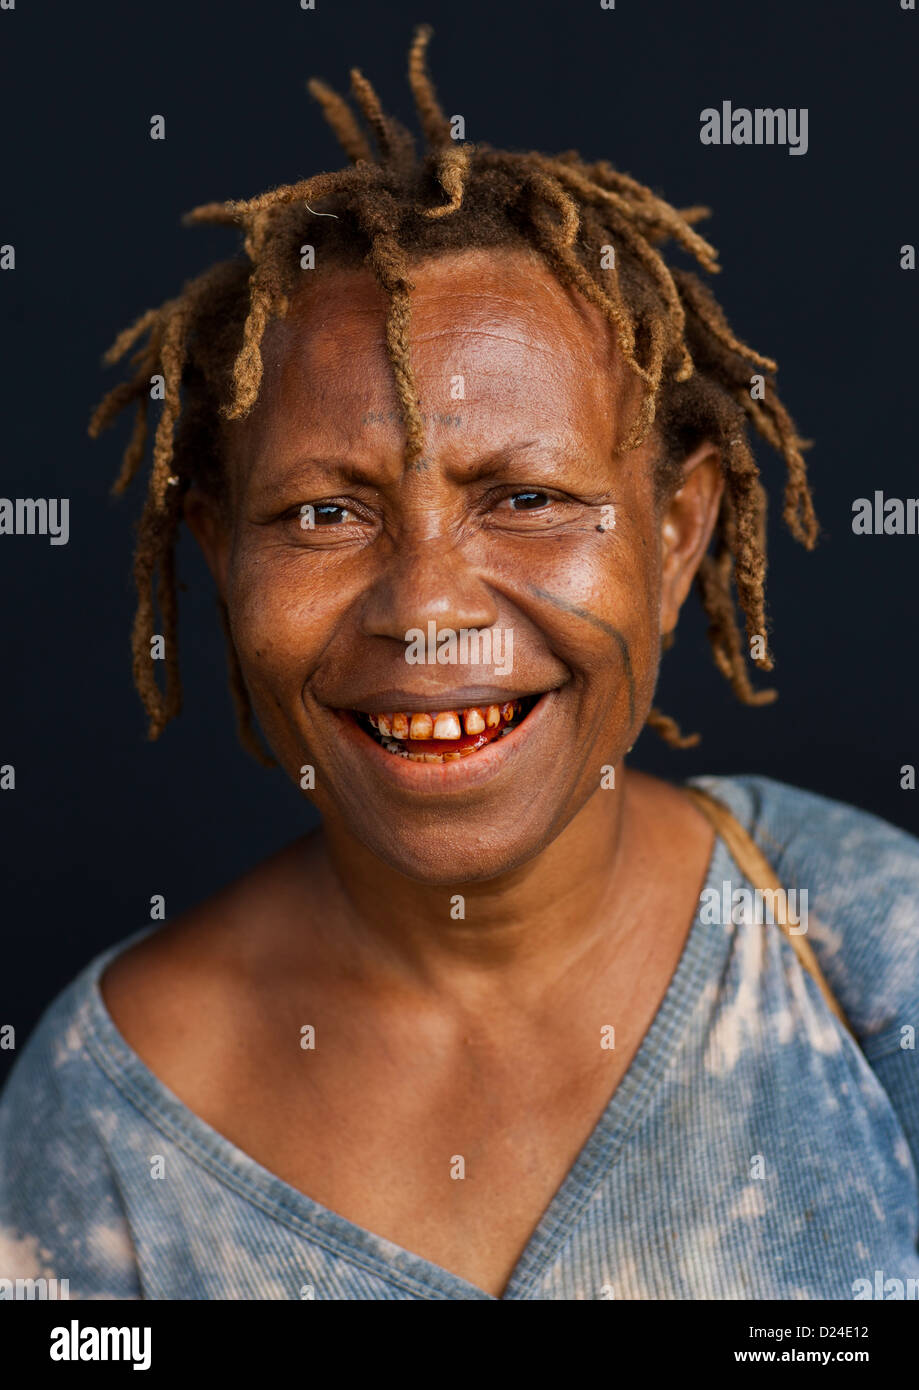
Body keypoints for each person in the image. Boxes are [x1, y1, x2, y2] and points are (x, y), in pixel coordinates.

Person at [1, 25, 917, 1302]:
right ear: (218, 554)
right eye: (325, 512)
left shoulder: (875, 954)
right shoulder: (102, 1123)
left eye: (530, 496)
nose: (425, 609)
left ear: (676, 534)